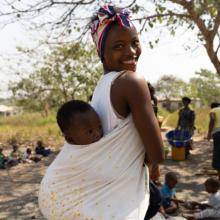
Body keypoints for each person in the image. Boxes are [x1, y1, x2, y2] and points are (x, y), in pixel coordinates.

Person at [39, 5, 163, 220]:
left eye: (135, 42)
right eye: (118, 46)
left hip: (85, 199)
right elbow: (157, 153)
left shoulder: (100, 87)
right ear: (101, 52)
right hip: (114, 201)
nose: (131, 52)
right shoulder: (131, 81)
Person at [207, 102, 220, 180]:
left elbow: (212, 119)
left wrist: (209, 133)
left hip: (218, 134)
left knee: (218, 155)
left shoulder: (213, 110)